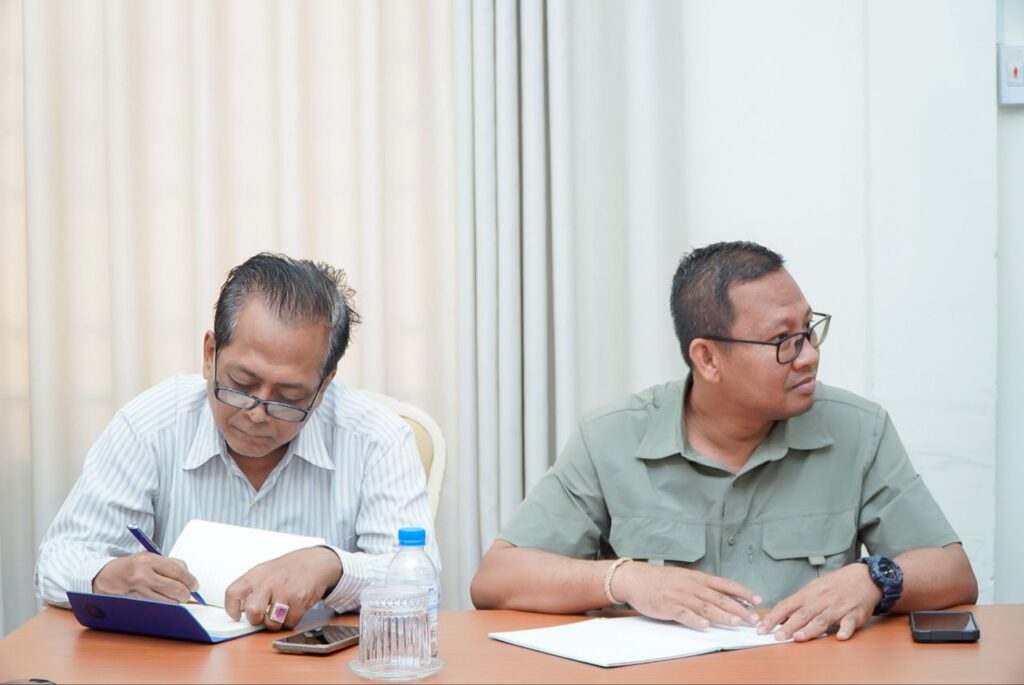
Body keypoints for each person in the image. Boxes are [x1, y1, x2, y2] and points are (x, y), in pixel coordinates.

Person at [471, 241, 977, 642]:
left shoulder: (858, 429)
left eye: (808, 330)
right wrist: (625, 578)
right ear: (707, 359)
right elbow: (497, 579)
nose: (808, 355)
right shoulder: (611, 437)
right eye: (782, 341)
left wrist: (874, 579)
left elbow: (954, 573)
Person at [36, 252, 438, 630]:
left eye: (289, 396)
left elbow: (421, 585)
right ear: (210, 354)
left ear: (324, 385)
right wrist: (106, 576)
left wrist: (332, 566)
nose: (257, 412)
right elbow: (57, 561)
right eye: (241, 384)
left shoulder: (376, 438)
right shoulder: (150, 425)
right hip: (174, 663)